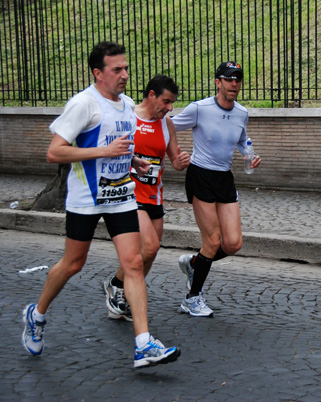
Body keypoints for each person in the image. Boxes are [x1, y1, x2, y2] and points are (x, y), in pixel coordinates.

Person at [21, 42, 180, 368]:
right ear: (98, 73)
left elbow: (116, 145)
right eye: (117, 70)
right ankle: (36, 315)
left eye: (125, 68)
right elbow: (55, 152)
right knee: (73, 264)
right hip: (87, 199)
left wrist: (133, 161)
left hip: (121, 195)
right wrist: (103, 153)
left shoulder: (126, 105)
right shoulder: (83, 104)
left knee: (134, 263)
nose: (124, 74)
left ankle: (143, 343)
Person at [172, 61, 261, 317]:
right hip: (200, 175)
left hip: (224, 178)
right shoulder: (199, 108)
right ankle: (192, 298)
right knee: (211, 241)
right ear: (218, 82)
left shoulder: (242, 112)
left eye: (238, 79)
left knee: (233, 243)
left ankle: (194, 263)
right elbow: (168, 126)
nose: (234, 83)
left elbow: (243, 142)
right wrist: (174, 155)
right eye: (229, 78)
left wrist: (250, 155)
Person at [102, 74, 190, 321]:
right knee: (149, 246)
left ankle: (123, 294)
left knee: (150, 253)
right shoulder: (128, 116)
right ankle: (117, 287)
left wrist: (181, 162)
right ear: (152, 95)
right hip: (129, 193)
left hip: (154, 196)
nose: (169, 108)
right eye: (166, 101)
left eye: (172, 103)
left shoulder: (167, 125)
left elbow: (174, 160)